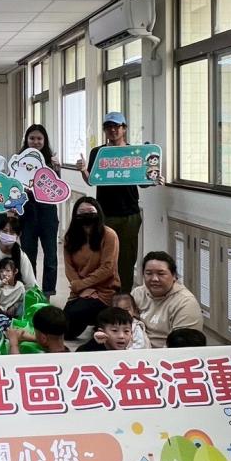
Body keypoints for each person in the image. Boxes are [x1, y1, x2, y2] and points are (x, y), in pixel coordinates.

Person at [77, 112, 148, 294]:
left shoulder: (134, 152)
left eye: (117, 126)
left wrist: (154, 178)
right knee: (103, 257)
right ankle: (105, 295)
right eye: (108, 127)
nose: (113, 130)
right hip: (105, 214)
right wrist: (83, 170)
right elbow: (92, 180)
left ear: (124, 129)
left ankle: (123, 297)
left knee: (127, 258)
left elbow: (143, 182)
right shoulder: (98, 152)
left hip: (129, 214)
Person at [62, 197, 121, 340]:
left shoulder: (109, 235)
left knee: (75, 314)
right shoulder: (70, 237)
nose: (86, 215)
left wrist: (82, 285)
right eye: (82, 212)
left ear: (98, 213)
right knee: (62, 326)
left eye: (90, 212)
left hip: (104, 291)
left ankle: (100, 321)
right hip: (80, 291)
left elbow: (107, 268)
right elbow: (69, 268)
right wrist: (82, 288)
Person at [18, 124, 62, 297]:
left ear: (44, 140)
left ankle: (48, 292)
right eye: (32, 138)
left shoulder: (52, 162)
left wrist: (57, 169)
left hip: (48, 214)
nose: (35, 142)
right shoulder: (19, 161)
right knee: (28, 256)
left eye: (39, 138)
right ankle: (32, 292)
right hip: (27, 214)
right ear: (26, 140)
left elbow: (58, 189)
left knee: (51, 256)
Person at [130, 251, 203, 348]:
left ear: (174, 276)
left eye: (161, 274)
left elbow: (182, 345)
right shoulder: (138, 293)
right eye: (149, 273)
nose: (154, 279)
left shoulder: (185, 303)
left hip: (167, 353)